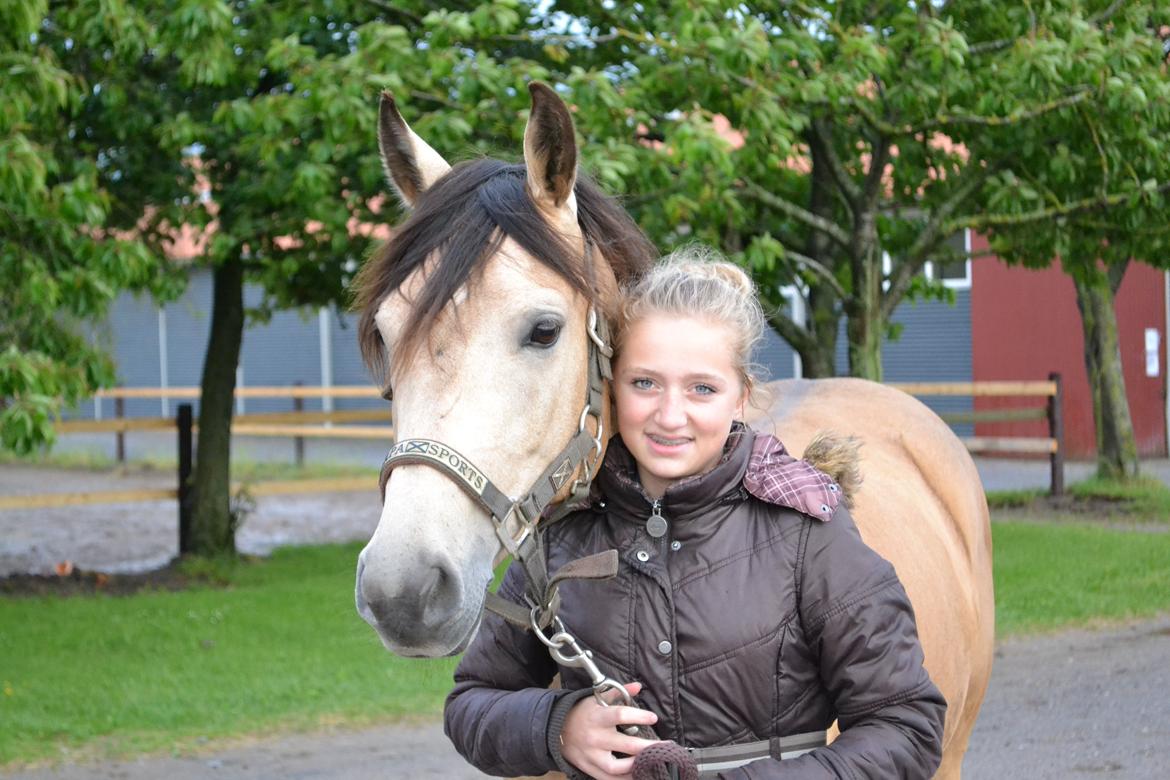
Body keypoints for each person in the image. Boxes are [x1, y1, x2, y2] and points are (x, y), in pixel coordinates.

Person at [444, 247, 946, 779]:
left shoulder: (808, 531)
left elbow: (906, 727)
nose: (670, 415)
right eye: (644, 383)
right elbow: (472, 703)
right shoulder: (561, 537)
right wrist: (558, 726)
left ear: (740, 397)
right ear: (612, 384)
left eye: (702, 389)